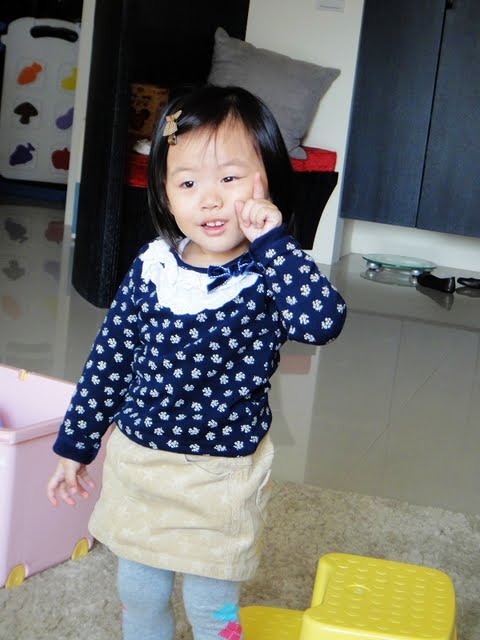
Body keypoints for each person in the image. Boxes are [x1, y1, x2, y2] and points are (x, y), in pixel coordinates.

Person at [47, 85, 346, 640]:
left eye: (229, 178)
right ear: (164, 192)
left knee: (213, 609)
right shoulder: (154, 266)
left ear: (268, 181)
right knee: (139, 595)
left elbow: (322, 322)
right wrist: (76, 443)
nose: (208, 199)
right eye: (187, 183)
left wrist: (274, 243)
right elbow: (110, 358)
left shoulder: (273, 271)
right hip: (141, 465)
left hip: (222, 477)